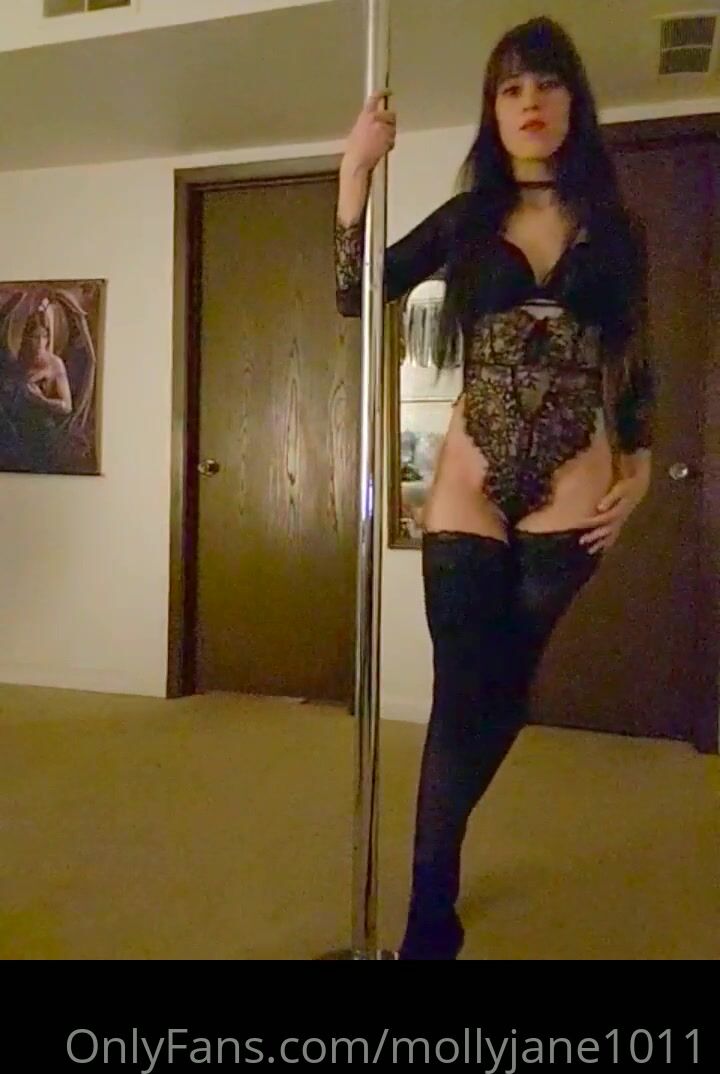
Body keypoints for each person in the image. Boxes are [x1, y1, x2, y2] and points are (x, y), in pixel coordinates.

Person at [333, 16, 655, 958]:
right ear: (493, 108)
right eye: (512, 88)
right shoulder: (468, 219)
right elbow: (358, 295)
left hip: (575, 489)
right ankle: (429, 919)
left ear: (573, 101)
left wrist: (641, 468)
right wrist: (354, 169)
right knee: (461, 696)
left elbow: (635, 354)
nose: (530, 102)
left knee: (502, 696)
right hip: (469, 481)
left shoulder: (616, 225)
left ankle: (438, 885)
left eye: (547, 83)